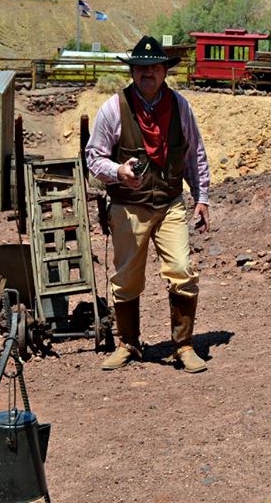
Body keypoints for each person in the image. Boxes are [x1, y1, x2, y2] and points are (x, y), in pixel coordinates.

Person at [85, 35, 211, 373]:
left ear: (164, 71)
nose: (147, 74)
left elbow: (194, 154)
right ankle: (129, 344)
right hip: (128, 206)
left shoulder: (180, 106)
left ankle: (183, 345)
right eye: (140, 68)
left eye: (154, 67)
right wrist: (118, 171)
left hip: (170, 203)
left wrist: (202, 197)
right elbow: (93, 158)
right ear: (132, 71)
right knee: (126, 279)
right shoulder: (113, 108)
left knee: (182, 272)